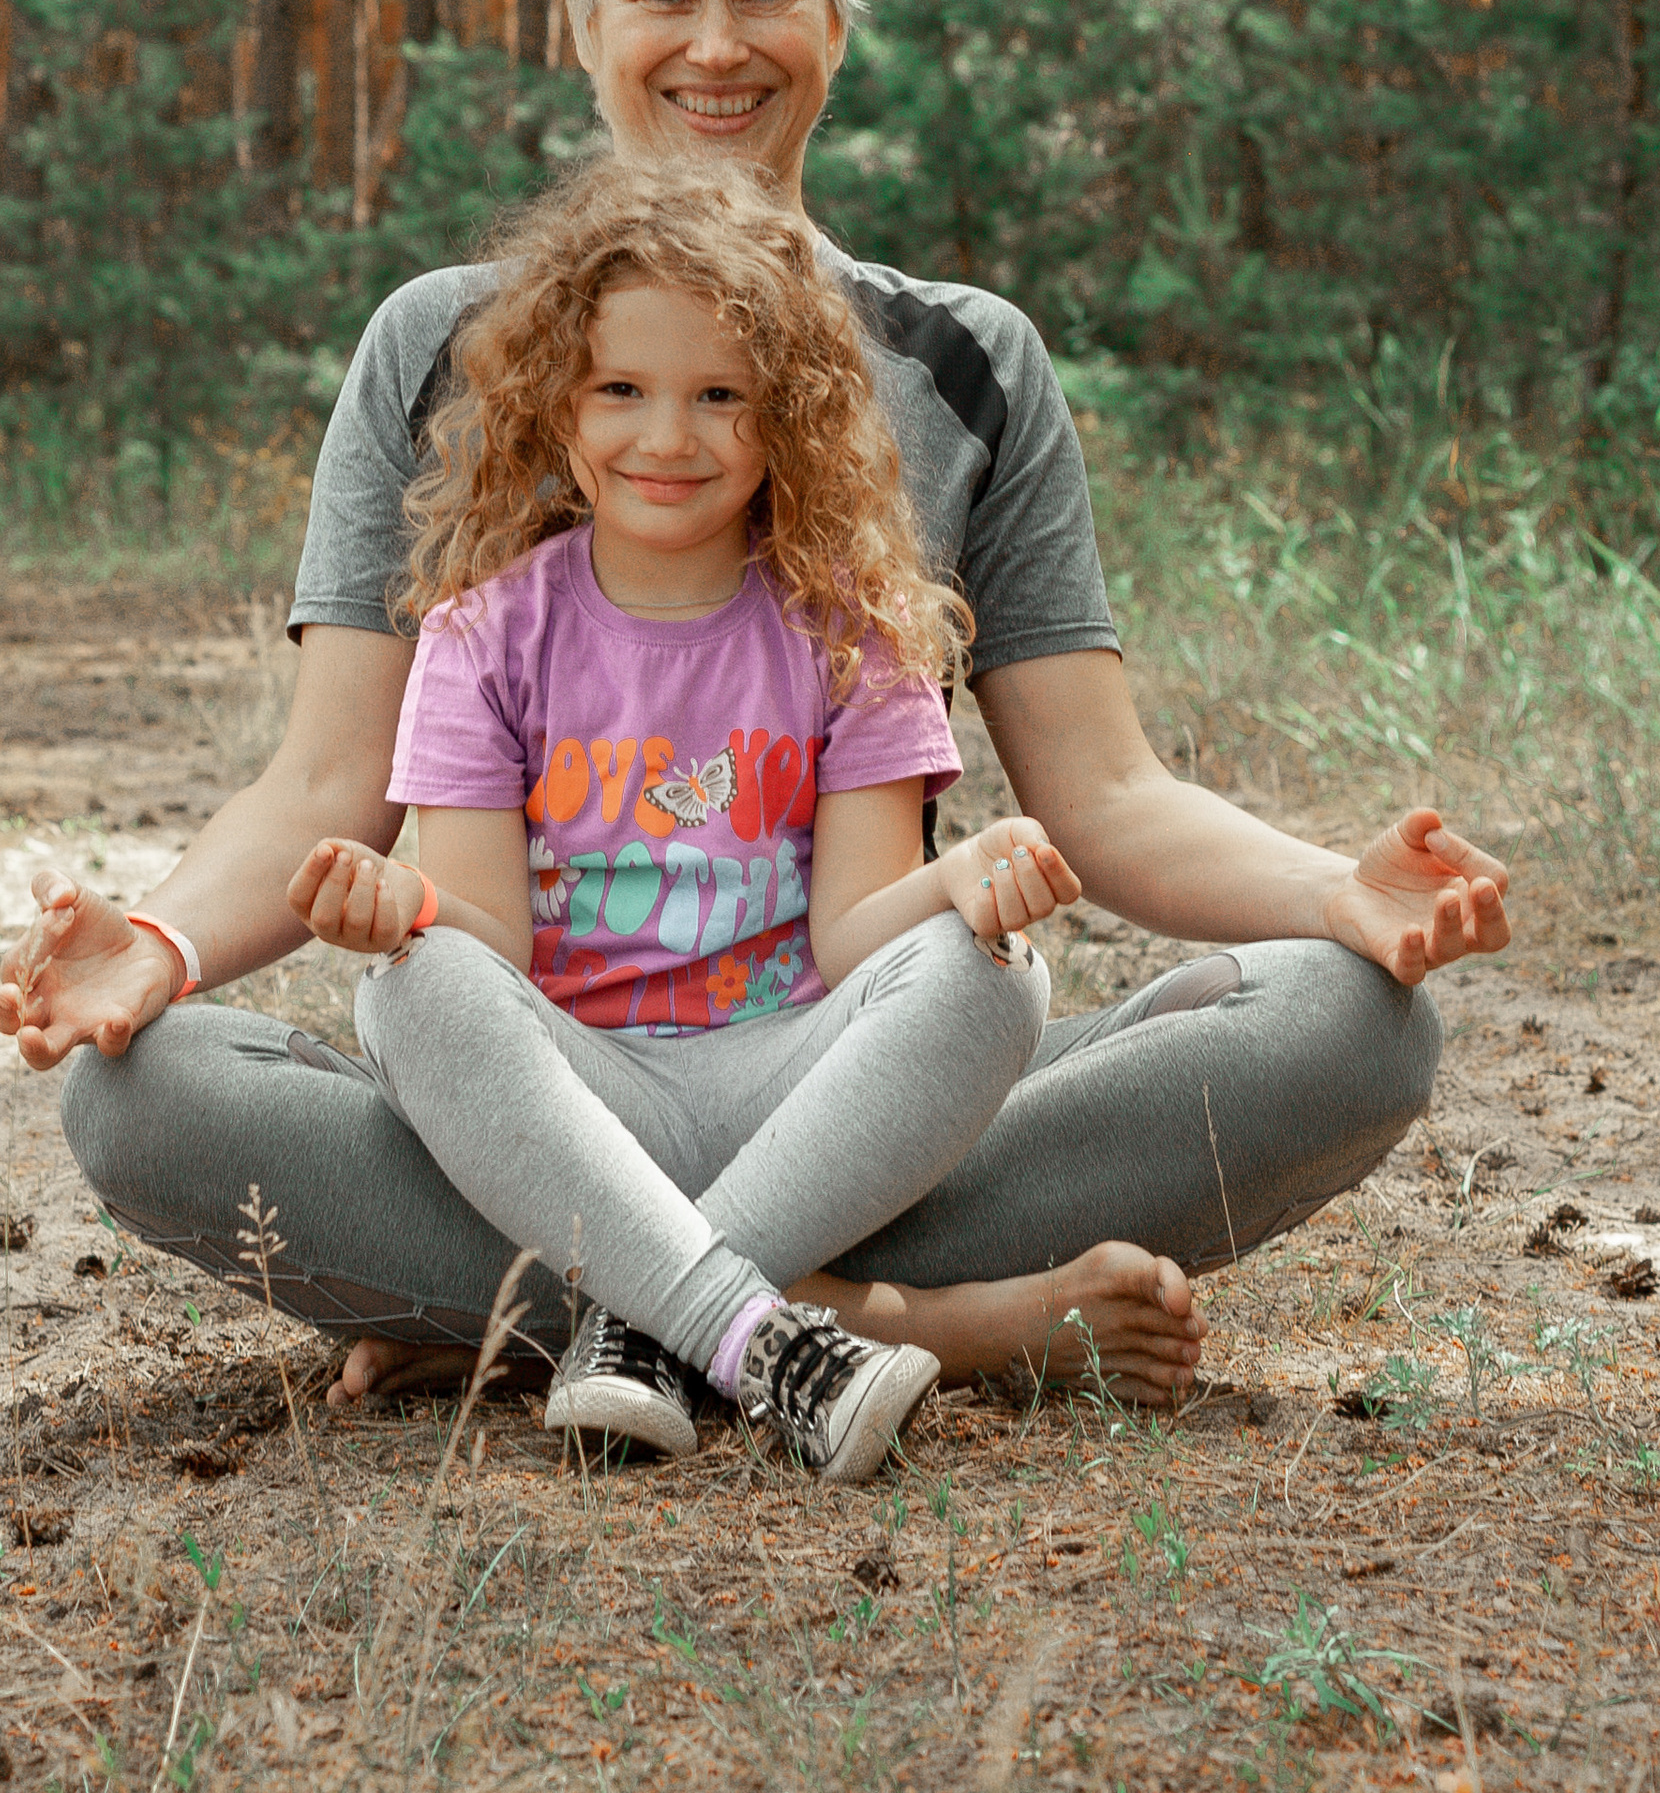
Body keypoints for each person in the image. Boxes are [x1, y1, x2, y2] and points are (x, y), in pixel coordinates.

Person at [0, 0, 1513, 1411]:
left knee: (1351, 1025)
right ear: (581, 25)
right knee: (144, 1099)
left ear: (837, 27)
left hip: (851, 1070)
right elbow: (326, 790)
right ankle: (873, 1318)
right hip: (556, 1080)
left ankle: (599, 1303)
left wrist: (1335, 893)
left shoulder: (969, 363)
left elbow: (1112, 800)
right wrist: (159, 940)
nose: (716, 45)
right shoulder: (434, 347)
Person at [286, 159, 1079, 1482]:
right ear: (555, 405)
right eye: (622, 392)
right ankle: (767, 1343)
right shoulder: (485, 637)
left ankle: (641, 1320)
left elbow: (852, 941)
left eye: (722, 397)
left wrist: (965, 882)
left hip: (795, 1091)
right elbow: (488, 940)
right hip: (577, 1100)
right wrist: (400, 909)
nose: (670, 438)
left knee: (995, 979)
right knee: (411, 991)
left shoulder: (854, 634)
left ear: (791, 419)